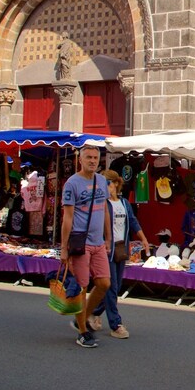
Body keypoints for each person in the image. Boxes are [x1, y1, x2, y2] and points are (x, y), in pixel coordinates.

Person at [61, 146, 112, 348]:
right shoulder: (72, 183)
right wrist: (64, 248)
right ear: (80, 160)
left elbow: (106, 211)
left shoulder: (101, 181)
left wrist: (108, 238)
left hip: (98, 242)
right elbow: (68, 217)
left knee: (104, 283)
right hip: (80, 243)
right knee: (82, 286)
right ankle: (82, 331)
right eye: (88, 157)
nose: (92, 161)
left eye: (95, 157)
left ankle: (83, 317)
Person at [88, 170, 149, 339]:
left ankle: (92, 311)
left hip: (122, 248)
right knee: (112, 286)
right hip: (106, 249)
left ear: (115, 183)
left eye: (108, 183)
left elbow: (133, 221)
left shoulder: (124, 203)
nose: (106, 187)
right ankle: (116, 324)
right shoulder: (102, 204)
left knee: (116, 286)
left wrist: (143, 239)